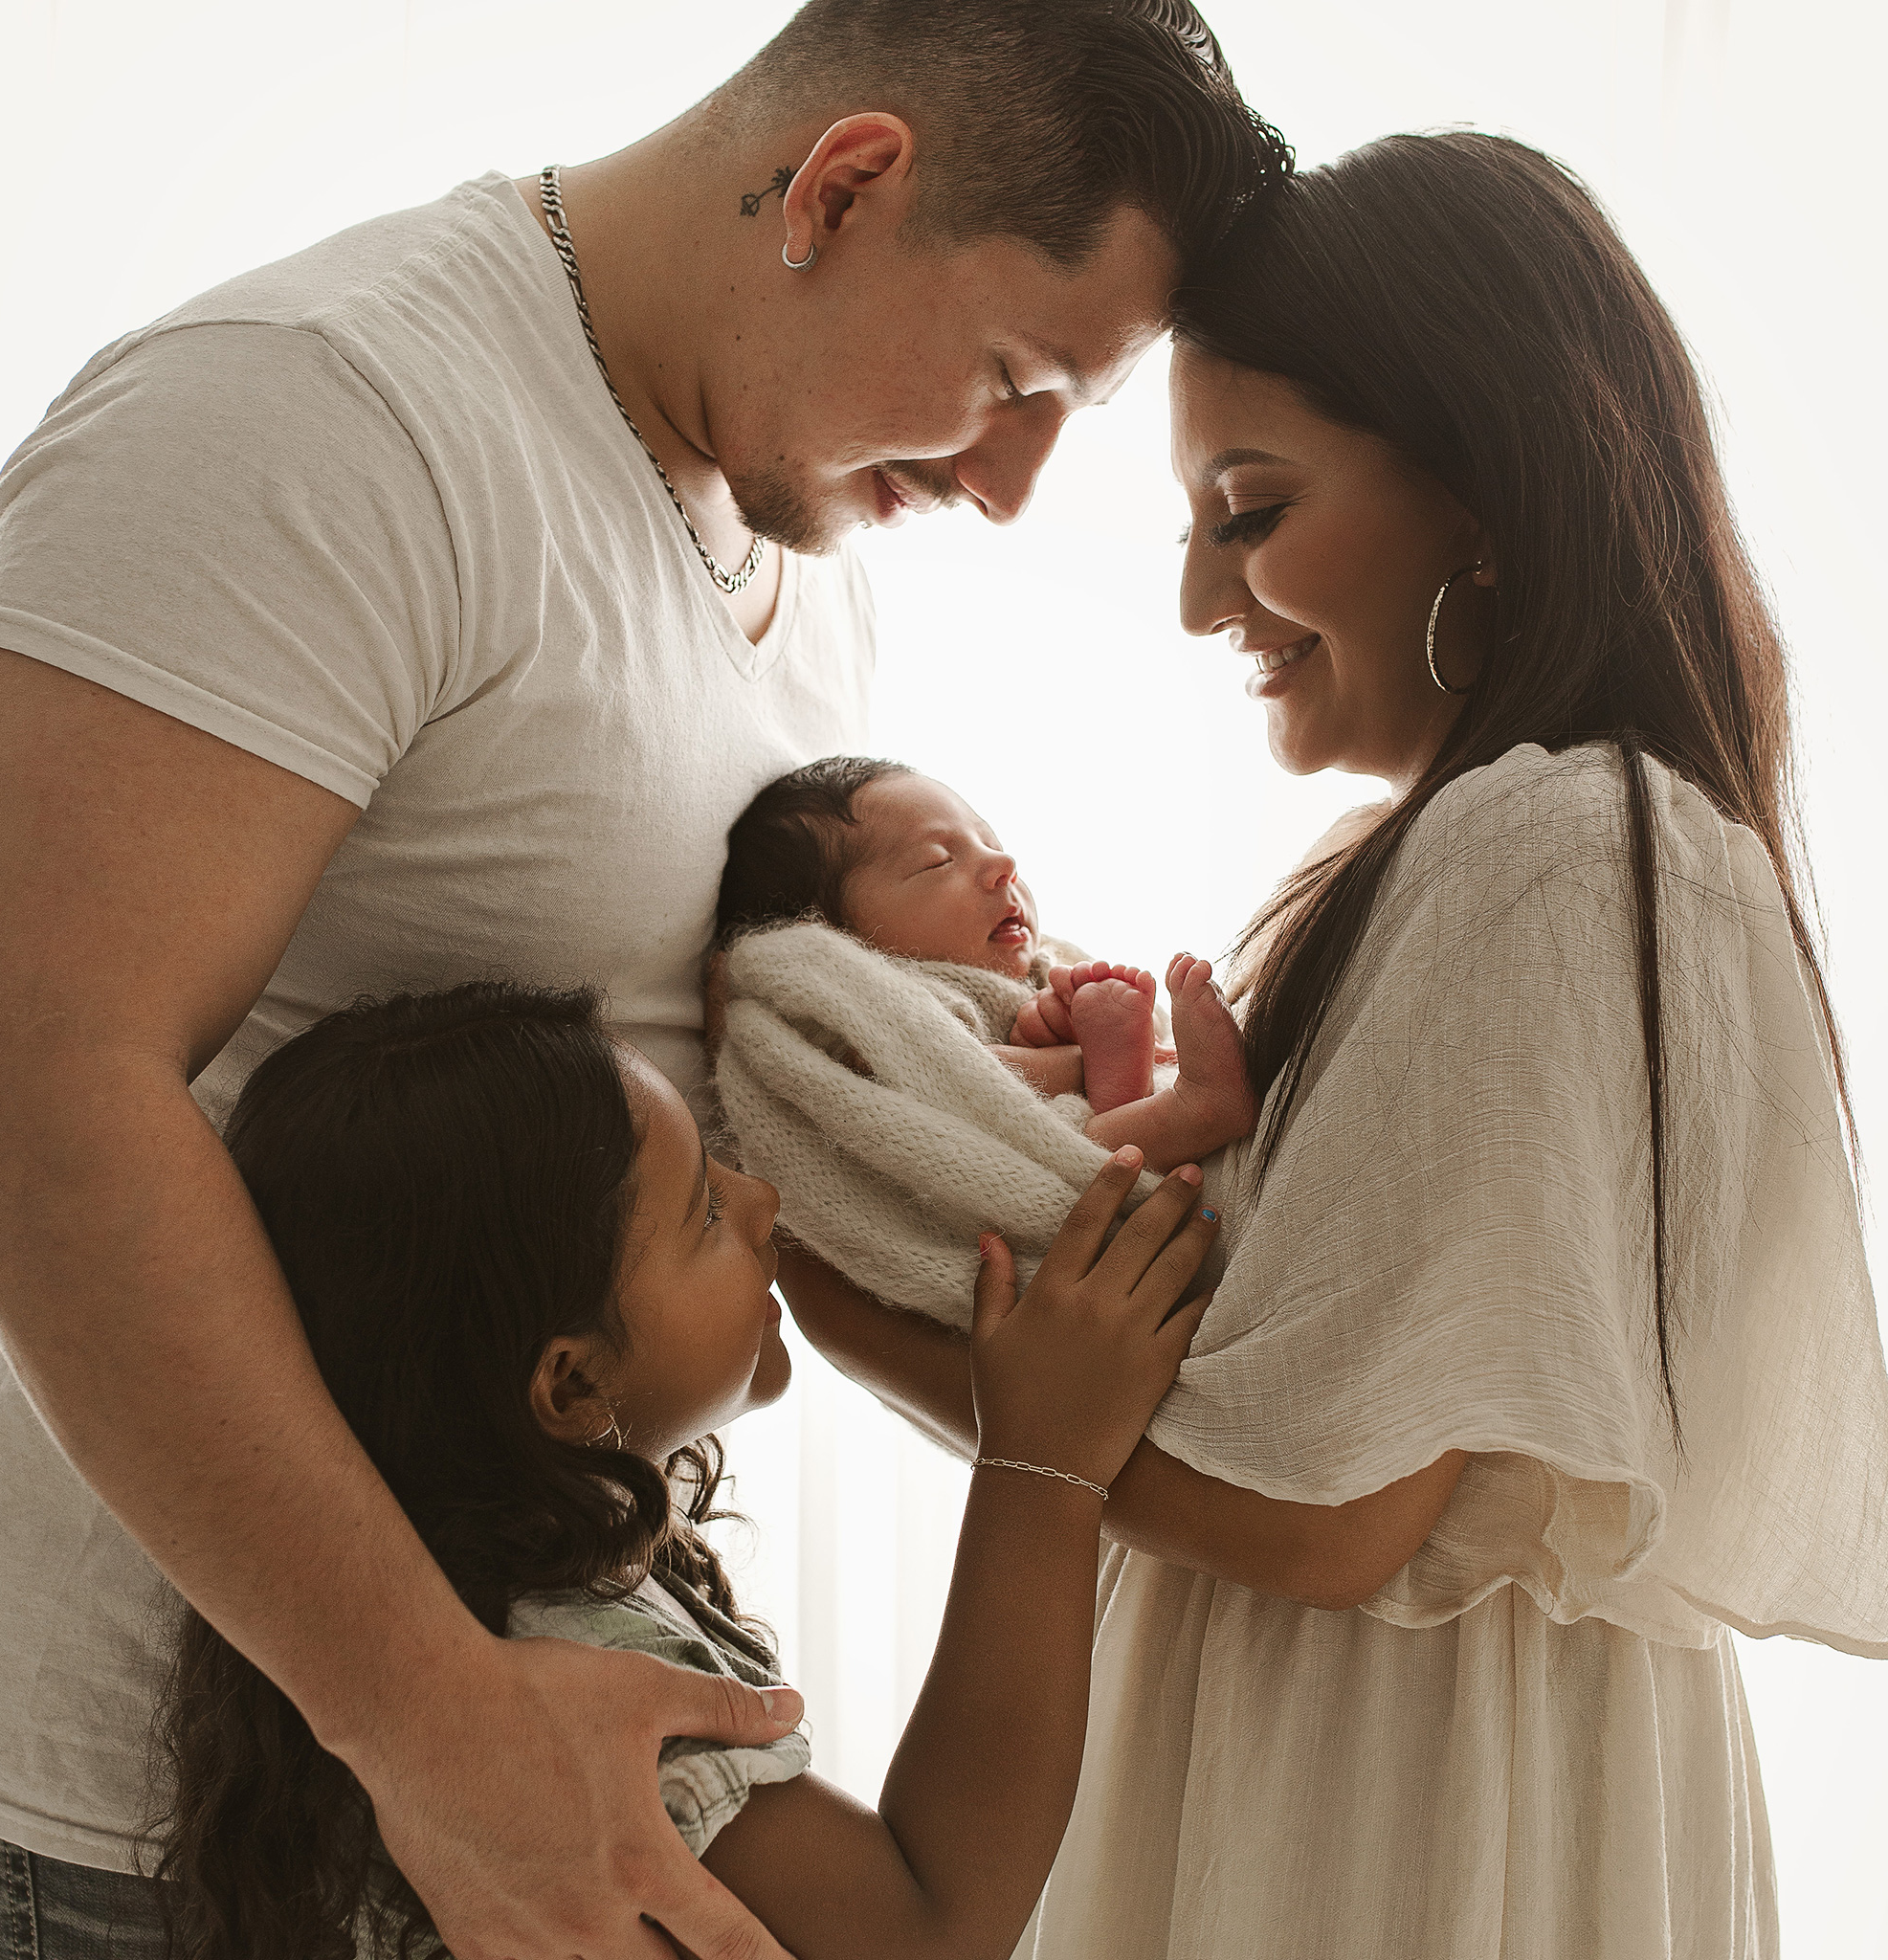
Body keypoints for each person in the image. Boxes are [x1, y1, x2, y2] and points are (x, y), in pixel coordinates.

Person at [0, 3, 1292, 1953]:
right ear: (842, 186)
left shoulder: (799, 564)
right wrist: (424, 1715)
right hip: (156, 1846)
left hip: (530, 1779)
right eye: (1010, 375)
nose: (1008, 481)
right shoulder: (313, 413)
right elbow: (15, 1089)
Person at [775, 132, 1888, 1957]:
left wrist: (848, 1312)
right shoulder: (1535, 845)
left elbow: (1334, 1513)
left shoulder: (1541, 845)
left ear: (1480, 487)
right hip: (1422, 1771)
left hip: (1400, 1807)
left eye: (1252, 509)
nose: (1205, 604)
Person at [152, 978, 1214, 1960]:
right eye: (704, 1210)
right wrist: (1043, 1464)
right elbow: (927, 1924)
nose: (762, 1199)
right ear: (569, 1385)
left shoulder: (458, 1586)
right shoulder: (569, 1671)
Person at [716, 755, 1257, 1167]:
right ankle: (1200, 1109)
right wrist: (1084, 1057)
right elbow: (930, 1070)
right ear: (835, 939)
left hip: (1083, 1126)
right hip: (1006, 1173)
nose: (1004, 863)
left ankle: (1134, 1097)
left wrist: (1051, 1024)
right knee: (1081, 1148)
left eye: (990, 841)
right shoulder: (874, 994)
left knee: (1092, 1124)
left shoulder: (1048, 968)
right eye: (939, 861)